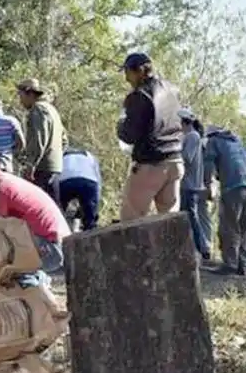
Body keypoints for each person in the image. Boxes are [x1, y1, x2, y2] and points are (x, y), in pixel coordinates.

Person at [0, 151, 70, 293]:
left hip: (52, 248)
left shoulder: (3, 189)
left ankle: (35, 290)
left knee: (6, 257)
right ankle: (38, 277)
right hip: (56, 242)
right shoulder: (6, 180)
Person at [116, 53, 184, 220]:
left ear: (139, 71)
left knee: (131, 221)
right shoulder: (172, 90)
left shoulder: (140, 95)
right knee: (170, 223)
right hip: (175, 162)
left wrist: (120, 126)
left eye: (127, 72)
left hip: (150, 164)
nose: (126, 78)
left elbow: (130, 135)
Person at [203, 124, 246, 276]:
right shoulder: (239, 143)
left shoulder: (214, 142)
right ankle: (242, 263)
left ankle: (230, 264)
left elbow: (209, 167)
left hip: (232, 189)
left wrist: (208, 186)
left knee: (229, 228)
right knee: (244, 229)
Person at [17, 78, 68, 199]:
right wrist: (55, 158)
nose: (20, 100)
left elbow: (39, 139)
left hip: (41, 169)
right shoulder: (52, 110)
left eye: (21, 95)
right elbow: (64, 140)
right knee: (53, 208)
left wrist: (30, 165)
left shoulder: (37, 109)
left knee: (37, 208)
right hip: (54, 167)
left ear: (30, 93)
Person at [179, 108, 210, 261]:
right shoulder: (191, 136)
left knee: (191, 217)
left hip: (189, 185)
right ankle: (192, 249)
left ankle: (203, 248)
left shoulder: (192, 136)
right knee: (187, 217)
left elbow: (187, 158)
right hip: (188, 184)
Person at [55, 147, 102, 231]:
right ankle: (90, 228)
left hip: (65, 180)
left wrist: (58, 202)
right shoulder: (89, 155)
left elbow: (55, 178)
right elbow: (98, 180)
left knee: (61, 214)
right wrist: (95, 207)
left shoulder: (61, 155)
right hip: (88, 181)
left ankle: (61, 229)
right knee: (90, 218)